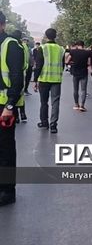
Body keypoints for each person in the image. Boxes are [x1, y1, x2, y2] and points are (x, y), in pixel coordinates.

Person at [0, 11, 25, 206]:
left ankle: (7, 191)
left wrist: (10, 106)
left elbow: (17, 79)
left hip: (4, 105)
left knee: (5, 148)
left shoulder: (11, 46)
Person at [33, 28, 65, 134]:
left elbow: (38, 65)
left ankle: (44, 122)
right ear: (55, 36)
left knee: (44, 102)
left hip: (44, 79)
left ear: (46, 36)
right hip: (56, 80)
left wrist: (35, 80)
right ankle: (53, 125)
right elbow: (63, 65)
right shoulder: (61, 49)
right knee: (55, 103)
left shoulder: (42, 48)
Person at [65, 41, 91, 112]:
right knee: (83, 90)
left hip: (75, 73)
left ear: (77, 45)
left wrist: (72, 62)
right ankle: (82, 105)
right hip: (84, 73)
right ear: (83, 45)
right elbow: (89, 63)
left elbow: (67, 61)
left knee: (75, 89)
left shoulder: (73, 52)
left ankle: (76, 105)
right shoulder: (87, 53)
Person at [10, 30, 28, 123]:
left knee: (13, 95)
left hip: (10, 74)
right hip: (22, 72)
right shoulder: (23, 46)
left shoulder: (9, 45)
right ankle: (23, 113)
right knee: (20, 94)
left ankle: (16, 116)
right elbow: (26, 61)